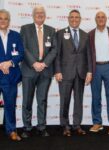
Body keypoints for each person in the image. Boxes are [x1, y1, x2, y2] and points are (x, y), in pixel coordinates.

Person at [20, 6, 57, 138]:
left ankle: (41, 127)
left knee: (42, 100)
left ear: (45, 15)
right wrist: (34, 63)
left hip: (45, 71)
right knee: (27, 101)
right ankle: (27, 127)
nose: (40, 15)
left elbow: (54, 50)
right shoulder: (25, 29)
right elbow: (23, 48)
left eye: (42, 13)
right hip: (29, 70)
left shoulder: (51, 30)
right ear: (33, 15)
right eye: (37, 13)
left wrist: (44, 63)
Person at [55, 9, 92, 137]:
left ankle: (77, 125)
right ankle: (65, 125)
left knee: (78, 101)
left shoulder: (85, 35)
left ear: (80, 19)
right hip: (64, 73)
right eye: (72, 17)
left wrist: (89, 71)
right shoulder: (60, 33)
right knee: (64, 100)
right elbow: (57, 55)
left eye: (77, 17)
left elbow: (88, 55)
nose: (74, 19)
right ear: (68, 18)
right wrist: (58, 71)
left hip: (80, 72)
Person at [89, 11, 109, 135]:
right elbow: (88, 54)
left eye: (103, 17)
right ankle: (97, 123)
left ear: (106, 19)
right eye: (98, 17)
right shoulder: (90, 34)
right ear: (95, 19)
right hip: (95, 68)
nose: (101, 19)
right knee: (96, 97)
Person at [0, 9, 24, 141]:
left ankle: (11, 130)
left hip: (11, 77)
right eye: (0, 18)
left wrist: (10, 62)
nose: (3, 21)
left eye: (5, 19)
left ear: (9, 21)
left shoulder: (15, 35)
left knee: (10, 105)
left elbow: (21, 53)